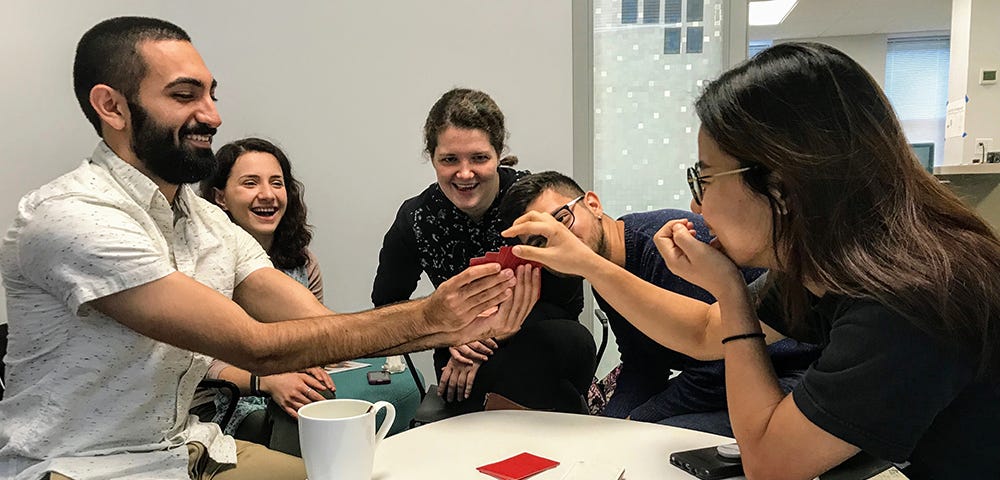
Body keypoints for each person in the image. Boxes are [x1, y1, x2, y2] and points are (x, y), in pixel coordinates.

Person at [0, 17, 534, 480]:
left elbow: (317, 324)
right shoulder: (71, 216)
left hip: (190, 450)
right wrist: (432, 318)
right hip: (83, 464)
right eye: (186, 96)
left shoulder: (206, 221)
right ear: (111, 106)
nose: (212, 116)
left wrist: (457, 325)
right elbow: (257, 347)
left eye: (213, 95)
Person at [503, 42, 1000, 479]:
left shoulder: (909, 297)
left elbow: (771, 463)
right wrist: (725, 290)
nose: (695, 207)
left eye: (705, 180)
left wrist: (729, 295)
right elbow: (704, 333)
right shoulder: (831, 264)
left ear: (782, 184)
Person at [498, 171, 819, 435]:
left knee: (661, 443)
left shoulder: (663, 247)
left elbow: (715, 360)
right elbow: (644, 363)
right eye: (540, 241)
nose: (559, 242)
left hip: (790, 371)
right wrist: (611, 428)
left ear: (593, 204)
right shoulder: (604, 272)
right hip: (731, 373)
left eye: (562, 220)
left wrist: (640, 419)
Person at [372, 88, 596, 414]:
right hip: (459, 355)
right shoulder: (417, 218)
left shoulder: (532, 201)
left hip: (541, 339)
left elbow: (568, 301)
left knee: (568, 340)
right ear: (432, 158)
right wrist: (449, 335)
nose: (465, 173)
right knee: (546, 394)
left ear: (498, 154)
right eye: (450, 160)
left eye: (479, 158)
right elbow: (386, 304)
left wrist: (489, 331)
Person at [196, 137, 332, 435]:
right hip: (223, 403)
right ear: (220, 198)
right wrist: (268, 381)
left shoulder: (304, 262)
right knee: (294, 425)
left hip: (289, 386)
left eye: (276, 183)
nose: (267, 194)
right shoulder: (202, 266)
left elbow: (315, 338)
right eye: (250, 183)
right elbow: (196, 364)